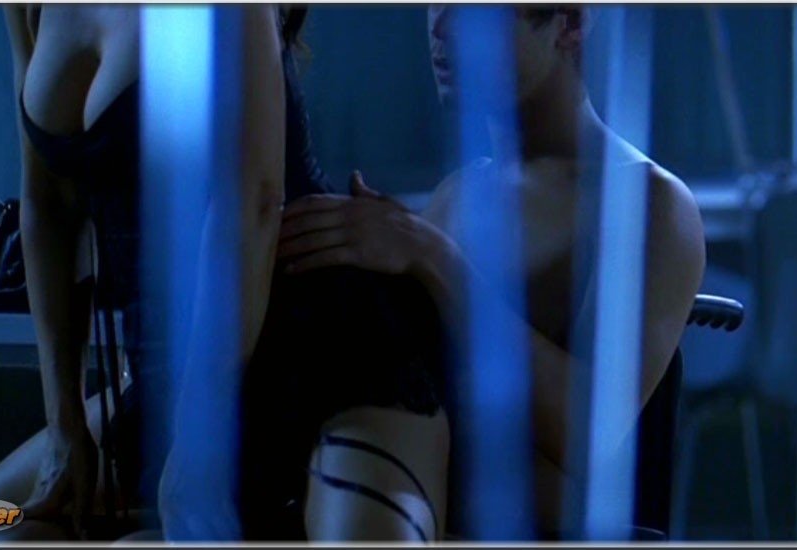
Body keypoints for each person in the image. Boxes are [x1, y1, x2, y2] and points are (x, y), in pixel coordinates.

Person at [0, 4, 451, 543]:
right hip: (165, 375)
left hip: (317, 344)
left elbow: (252, 203)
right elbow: (48, 202)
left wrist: (197, 440)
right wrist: (64, 423)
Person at [277, 5, 705, 537]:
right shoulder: (457, 194)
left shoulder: (647, 202)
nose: (440, 27)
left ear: (570, 24)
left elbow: (592, 433)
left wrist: (433, 257)